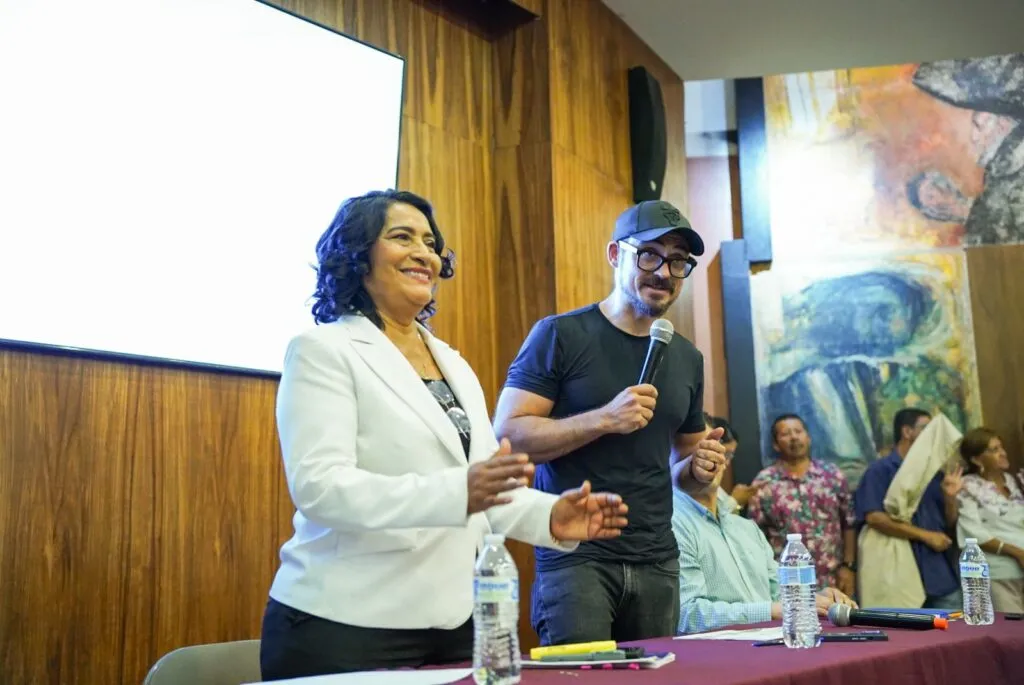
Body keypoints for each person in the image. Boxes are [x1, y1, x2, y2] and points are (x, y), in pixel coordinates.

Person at [259, 190, 629, 680]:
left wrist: (551, 516)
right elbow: (321, 488)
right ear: (357, 255)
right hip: (344, 625)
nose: (424, 254)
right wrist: (460, 491)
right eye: (402, 237)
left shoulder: (453, 364)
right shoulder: (323, 350)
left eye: (431, 244)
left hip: (454, 627)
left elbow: (484, 491)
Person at [492, 200, 727, 645]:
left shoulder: (686, 357)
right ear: (616, 255)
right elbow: (508, 436)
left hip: (658, 559)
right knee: (582, 675)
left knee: (658, 677)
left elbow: (686, 473)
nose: (664, 272)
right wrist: (603, 419)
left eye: (678, 261)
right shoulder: (560, 335)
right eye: (650, 255)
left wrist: (701, 469)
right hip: (576, 557)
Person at [672, 455, 856, 634]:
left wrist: (816, 601)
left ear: (725, 463)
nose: (707, 462)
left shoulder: (747, 528)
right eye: (697, 453)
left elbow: (778, 594)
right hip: (719, 651)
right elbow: (687, 616)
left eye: (716, 453)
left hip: (773, 641)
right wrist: (770, 611)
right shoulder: (673, 527)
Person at [855, 408, 963, 609]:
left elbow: (949, 523)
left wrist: (950, 498)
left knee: (956, 627)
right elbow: (874, 518)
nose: (932, 434)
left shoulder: (935, 474)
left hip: (939, 574)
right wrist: (925, 536)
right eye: (926, 428)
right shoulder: (880, 470)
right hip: (897, 575)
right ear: (907, 432)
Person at [912, 54, 1024, 246]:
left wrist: (965, 211)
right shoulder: (998, 178)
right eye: (931, 194)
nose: (974, 138)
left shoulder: (1006, 177)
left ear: (1000, 122)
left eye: (978, 125)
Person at [748, 414, 857, 597]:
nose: (794, 437)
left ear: (808, 437)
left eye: (798, 431)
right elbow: (755, 534)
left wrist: (848, 566)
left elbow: (849, 523)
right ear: (776, 444)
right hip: (787, 582)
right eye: (786, 433)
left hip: (832, 578)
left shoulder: (832, 475)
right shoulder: (764, 482)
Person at [956, 428, 1024, 613]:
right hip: (999, 575)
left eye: (1001, 447)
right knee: (1010, 628)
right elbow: (973, 534)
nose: (1003, 453)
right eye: (994, 450)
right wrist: (1017, 553)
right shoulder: (968, 487)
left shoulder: (1015, 481)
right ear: (977, 460)